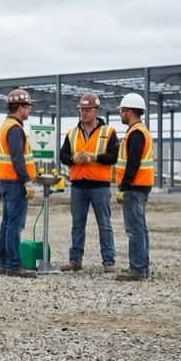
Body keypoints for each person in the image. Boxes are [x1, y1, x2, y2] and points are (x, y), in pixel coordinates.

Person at [58, 93, 119, 273]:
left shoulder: (108, 132)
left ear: (96, 111)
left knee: (105, 225)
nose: (83, 114)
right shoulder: (72, 133)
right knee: (77, 225)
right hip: (78, 185)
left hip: (99, 186)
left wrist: (93, 158)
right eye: (81, 110)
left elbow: (113, 156)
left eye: (87, 110)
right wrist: (73, 159)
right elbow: (63, 156)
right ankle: (75, 260)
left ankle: (109, 261)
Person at [0, 89, 37, 278]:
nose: (29, 110)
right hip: (14, 182)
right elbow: (17, 158)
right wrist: (26, 181)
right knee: (14, 225)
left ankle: (5, 263)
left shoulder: (5, 126)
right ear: (20, 108)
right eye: (28, 107)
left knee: (6, 223)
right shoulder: (15, 129)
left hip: (5, 180)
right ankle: (13, 264)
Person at [114, 93, 154, 281]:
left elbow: (133, 163)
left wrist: (123, 186)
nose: (120, 114)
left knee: (135, 229)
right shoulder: (139, 131)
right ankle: (142, 267)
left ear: (129, 112)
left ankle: (137, 269)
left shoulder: (136, 133)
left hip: (135, 186)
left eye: (122, 111)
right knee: (140, 227)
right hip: (141, 185)